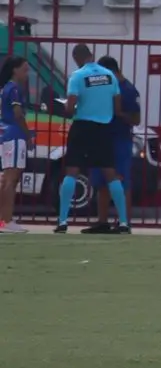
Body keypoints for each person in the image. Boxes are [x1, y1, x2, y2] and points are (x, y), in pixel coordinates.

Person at [54, 45, 125, 235]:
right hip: (104, 128)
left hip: (82, 127)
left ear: (76, 58)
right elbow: (118, 108)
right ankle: (124, 222)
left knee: (72, 172)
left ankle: (63, 221)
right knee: (111, 174)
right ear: (92, 55)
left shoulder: (77, 76)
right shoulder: (109, 76)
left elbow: (70, 108)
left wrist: (67, 109)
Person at [87, 56, 140, 234]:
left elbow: (136, 119)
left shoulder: (128, 90)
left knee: (121, 181)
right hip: (102, 139)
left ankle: (124, 222)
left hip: (119, 140)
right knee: (101, 182)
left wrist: (119, 113)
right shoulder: (105, 88)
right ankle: (102, 221)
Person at [0, 58, 32, 234]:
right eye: (25, 70)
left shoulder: (5, 88)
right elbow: (18, 114)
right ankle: (7, 220)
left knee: (6, 178)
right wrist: (28, 136)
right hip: (14, 135)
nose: (27, 74)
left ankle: (3, 219)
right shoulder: (14, 89)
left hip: (5, 134)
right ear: (15, 70)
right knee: (11, 180)